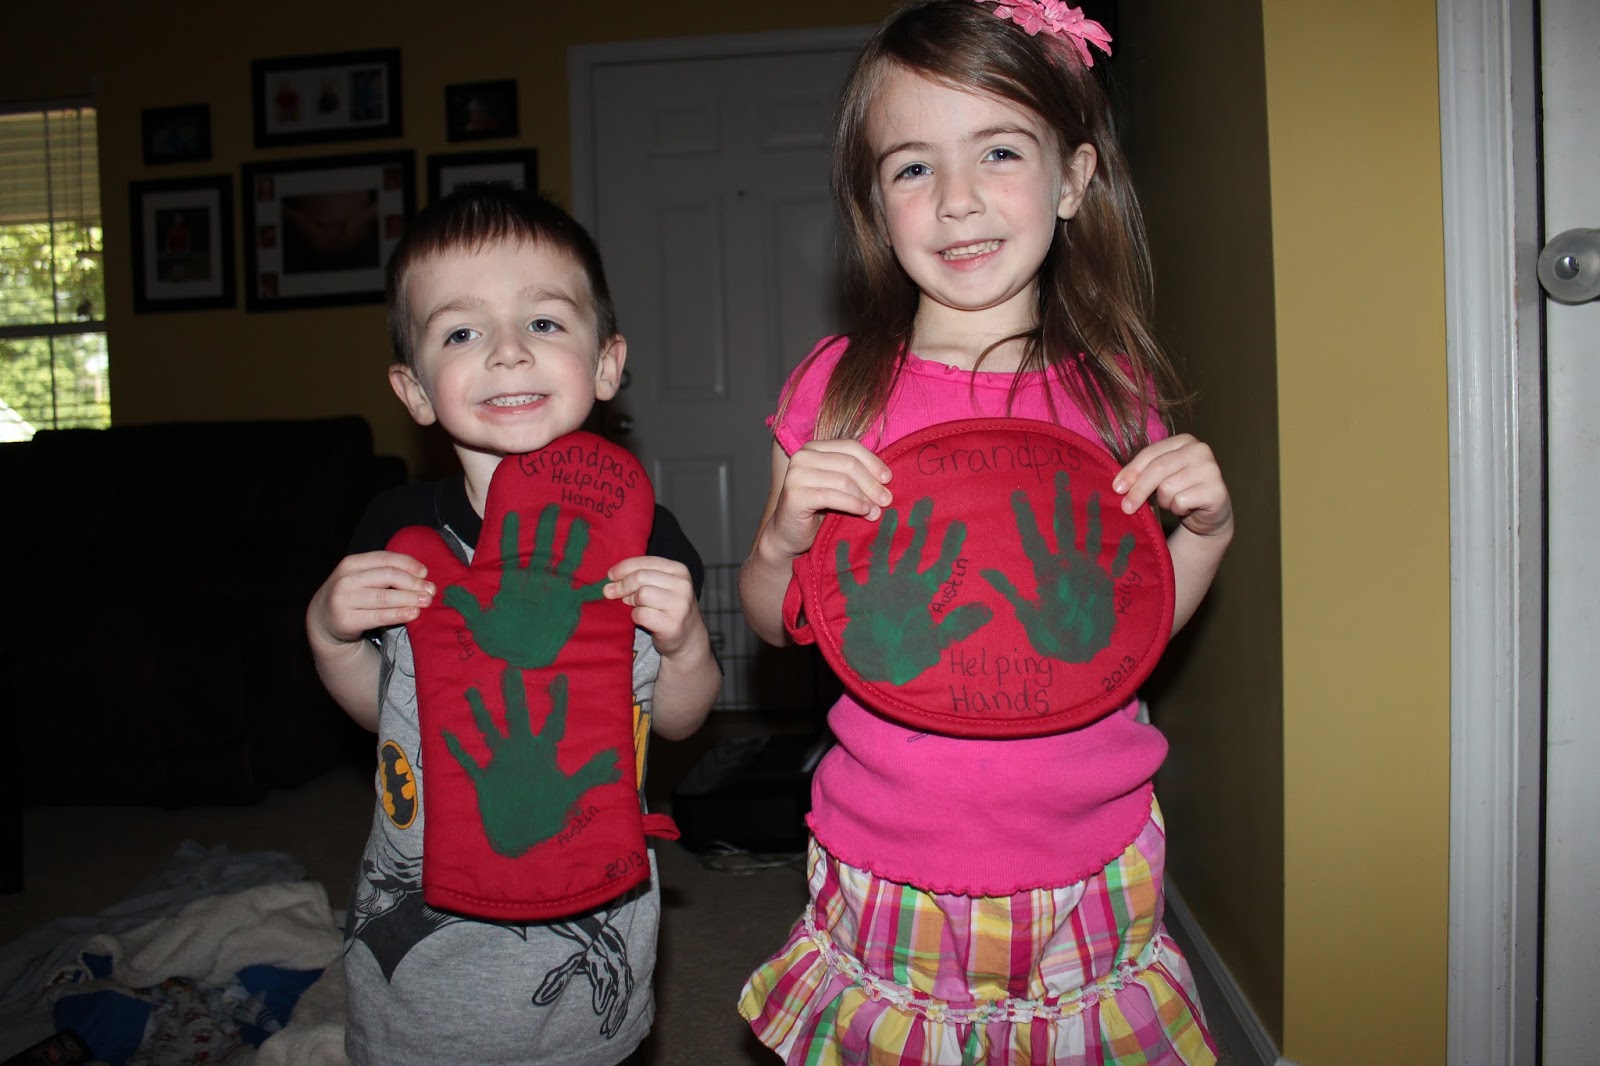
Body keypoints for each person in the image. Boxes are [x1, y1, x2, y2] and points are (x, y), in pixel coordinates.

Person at [736, 2, 1232, 1062]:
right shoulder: (835, 391)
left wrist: (1202, 537)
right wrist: (781, 543)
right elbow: (777, 624)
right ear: (876, 205)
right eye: (912, 167)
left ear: (1072, 178)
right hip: (890, 844)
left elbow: (1131, 633)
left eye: (998, 152)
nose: (956, 198)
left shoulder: (1117, 396)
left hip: (1092, 844)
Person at [306, 185, 721, 1066]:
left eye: (543, 322)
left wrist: (684, 646)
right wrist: (330, 638)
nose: (506, 351)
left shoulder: (644, 538)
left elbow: (683, 721)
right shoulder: (396, 532)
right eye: (461, 333)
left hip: (590, 918)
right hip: (419, 937)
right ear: (415, 390)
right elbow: (389, 716)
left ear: (605, 365)